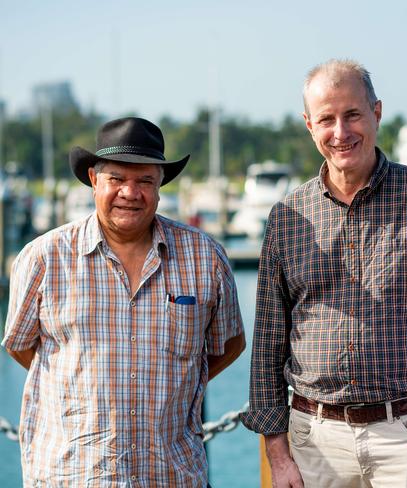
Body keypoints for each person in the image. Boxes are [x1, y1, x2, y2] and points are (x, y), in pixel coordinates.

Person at [241, 59, 407, 487]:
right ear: (308, 125)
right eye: (326, 119)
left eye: (352, 114)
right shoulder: (286, 216)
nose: (341, 132)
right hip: (313, 442)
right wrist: (278, 455)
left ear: (376, 112)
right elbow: (267, 344)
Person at [2, 117, 245, 487]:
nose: (130, 192)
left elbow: (228, 344)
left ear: (160, 186)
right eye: (117, 178)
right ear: (93, 180)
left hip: (170, 474)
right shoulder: (43, 258)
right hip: (71, 475)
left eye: (144, 180)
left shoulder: (205, 258)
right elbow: (21, 347)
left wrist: (171, 383)